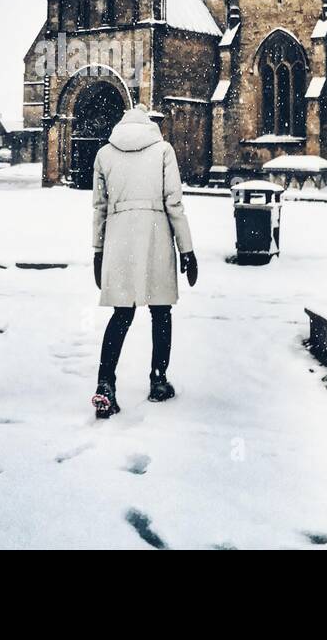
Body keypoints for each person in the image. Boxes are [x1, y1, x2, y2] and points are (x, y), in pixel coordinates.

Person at [90, 106, 197, 419]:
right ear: (150, 124)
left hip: (118, 237)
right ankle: (158, 380)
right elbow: (174, 202)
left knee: (121, 313)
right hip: (156, 234)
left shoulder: (104, 155)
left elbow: (99, 207)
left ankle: (105, 382)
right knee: (160, 311)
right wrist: (187, 250)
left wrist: (97, 250)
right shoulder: (163, 150)